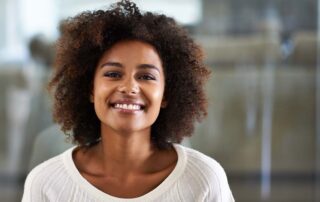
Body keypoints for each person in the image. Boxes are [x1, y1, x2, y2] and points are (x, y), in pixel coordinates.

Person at [22, 0, 235, 201]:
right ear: (90, 89)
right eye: (113, 74)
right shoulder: (46, 184)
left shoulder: (203, 179)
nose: (129, 87)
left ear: (166, 95)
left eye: (146, 77)